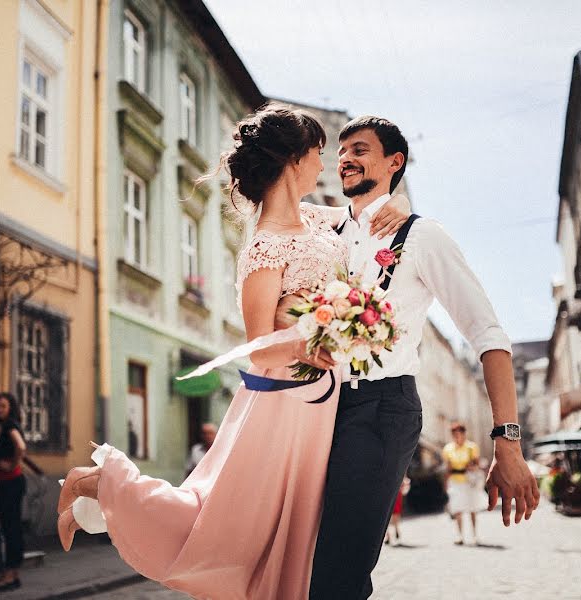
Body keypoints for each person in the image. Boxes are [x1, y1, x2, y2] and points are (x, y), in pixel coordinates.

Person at [55, 103, 411, 599]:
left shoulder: (313, 218)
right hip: (281, 402)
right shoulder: (263, 246)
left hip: (319, 402)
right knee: (230, 523)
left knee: (295, 532)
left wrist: (396, 209)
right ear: (293, 160)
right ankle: (97, 483)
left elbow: (361, 216)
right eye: (316, 155)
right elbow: (259, 348)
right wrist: (313, 339)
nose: (322, 166)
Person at [308, 116, 539, 599]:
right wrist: (392, 200)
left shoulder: (421, 236)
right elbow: (269, 203)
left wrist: (508, 443)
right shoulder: (325, 229)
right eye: (342, 150)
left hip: (380, 409)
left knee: (338, 570)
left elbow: (488, 335)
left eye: (360, 149)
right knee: (302, 560)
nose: (345, 158)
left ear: (395, 162)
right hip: (318, 408)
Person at [0, 392, 27, 593]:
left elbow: (21, 446)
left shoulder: (9, 425)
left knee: (10, 528)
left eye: (3, 406)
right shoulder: (6, 426)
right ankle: (13, 574)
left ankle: (9, 575)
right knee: (12, 527)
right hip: (7, 484)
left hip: (10, 483)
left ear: (11, 408)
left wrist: (11, 465)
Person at [442, 422, 487, 545]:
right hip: (455, 481)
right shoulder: (448, 449)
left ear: (463, 434)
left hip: (469, 481)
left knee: (472, 508)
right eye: (454, 434)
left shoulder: (471, 447)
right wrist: (446, 483)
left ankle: (474, 535)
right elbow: (448, 468)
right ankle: (460, 536)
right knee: (457, 508)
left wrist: (472, 466)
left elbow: (477, 463)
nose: (456, 437)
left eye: (459, 434)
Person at [385, 475, 411, 546]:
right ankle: (390, 534)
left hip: (394, 494)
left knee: (389, 517)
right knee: (390, 517)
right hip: (394, 494)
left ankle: (392, 533)